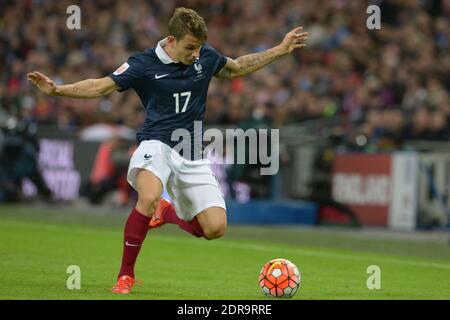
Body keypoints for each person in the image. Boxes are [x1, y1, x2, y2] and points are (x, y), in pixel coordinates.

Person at [27, 7, 308, 294]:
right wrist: (57, 90)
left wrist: (280, 50)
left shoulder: (206, 55)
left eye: (199, 47)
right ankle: (126, 275)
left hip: (192, 152)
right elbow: (100, 87)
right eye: (190, 47)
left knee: (214, 229)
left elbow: (237, 67)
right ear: (171, 40)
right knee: (147, 196)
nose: (196, 54)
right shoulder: (143, 64)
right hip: (156, 143)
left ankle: (167, 212)